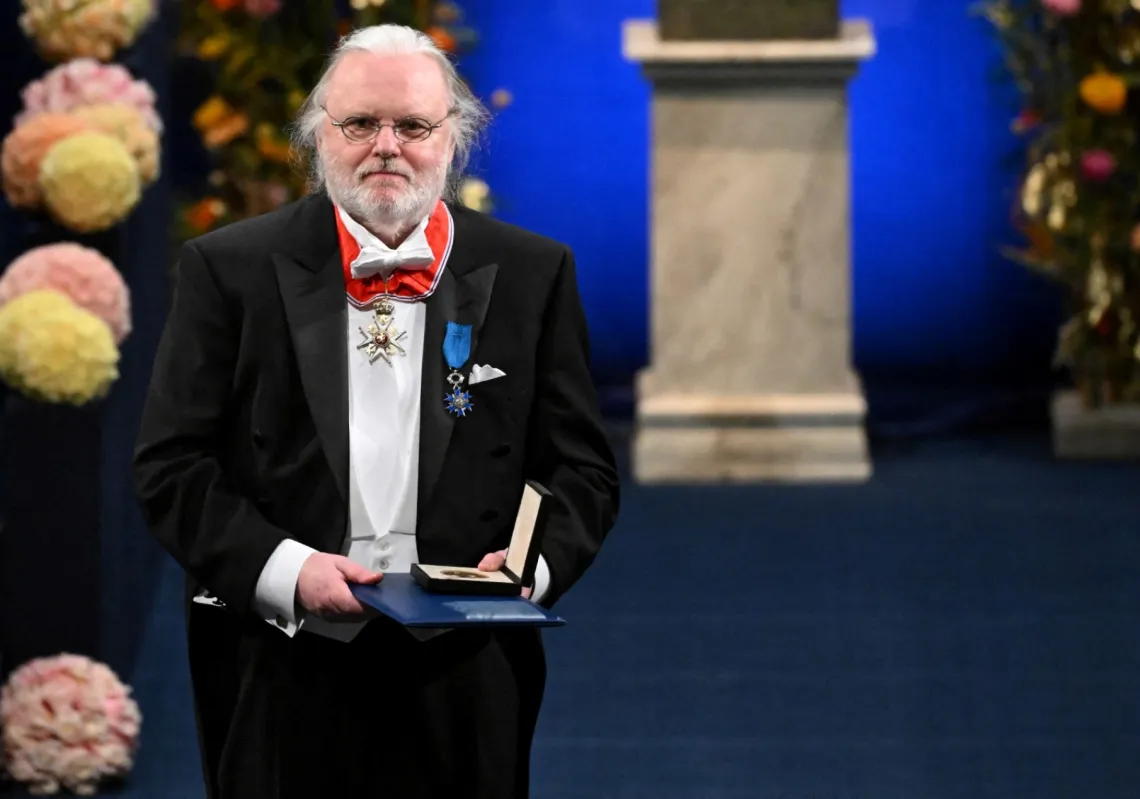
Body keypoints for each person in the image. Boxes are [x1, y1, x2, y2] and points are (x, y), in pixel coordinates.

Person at [132, 23, 620, 799]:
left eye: (413, 125)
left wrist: (535, 563)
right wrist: (290, 571)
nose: (385, 145)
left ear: (453, 139)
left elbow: (582, 468)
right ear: (317, 135)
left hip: (466, 655)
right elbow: (171, 467)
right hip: (280, 650)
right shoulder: (227, 271)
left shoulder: (535, 273)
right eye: (360, 123)